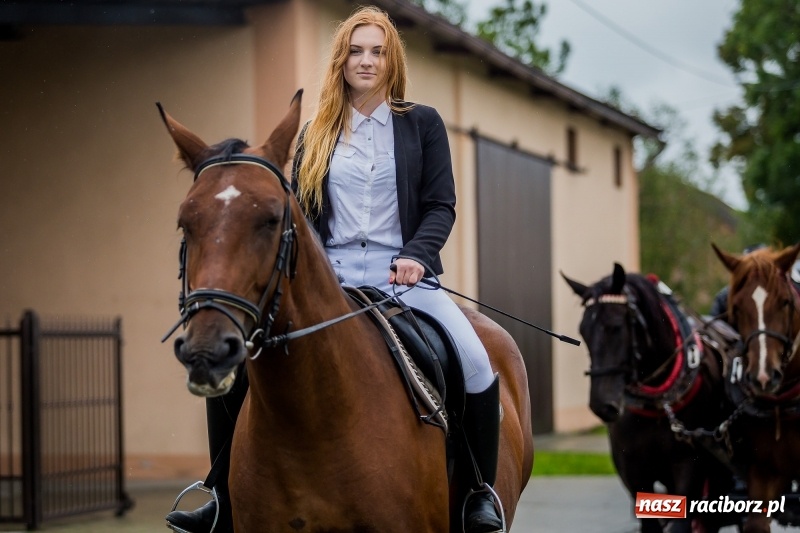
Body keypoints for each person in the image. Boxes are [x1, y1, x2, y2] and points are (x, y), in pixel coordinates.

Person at [167, 6, 503, 533]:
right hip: (333, 276)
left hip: (405, 277)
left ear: (393, 61)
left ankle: (479, 493)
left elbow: (441, 204)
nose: (366, 61)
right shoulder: (315, 132)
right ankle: (220, 495)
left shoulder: (422, 123)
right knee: (241, 366)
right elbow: (298, 215)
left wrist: (416, 254)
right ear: (340, 60)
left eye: (378, 51)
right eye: (356, 50)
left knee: (476, 359)